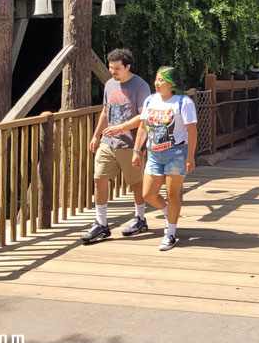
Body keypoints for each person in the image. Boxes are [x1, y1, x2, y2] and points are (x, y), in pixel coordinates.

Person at [82, 48, 153, 244]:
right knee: (99, 179)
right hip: (108, 142)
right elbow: (106, 111)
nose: (113, 71)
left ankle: (140, 218)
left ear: (128, 67)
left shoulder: (140, 86)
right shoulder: (109, 84)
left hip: (130, 143)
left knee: (135, 182)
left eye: (117, 68)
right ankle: (101, 223)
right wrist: (96, 136)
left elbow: (143, 116)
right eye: (111, 67)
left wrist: (120, 128)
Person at [132, 66, 198, 251]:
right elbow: (143, 127)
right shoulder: (150, 100)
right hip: (153, 153)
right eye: (156, 79)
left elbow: (192, 131)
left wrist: (190, 157)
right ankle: (170, 214)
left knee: (172, 193)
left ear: (172, 83)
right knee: (148, 194)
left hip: (177, 153)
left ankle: (170, 233)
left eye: (161, 80)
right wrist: (136, 150)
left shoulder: (183, 102)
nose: (157, 83)